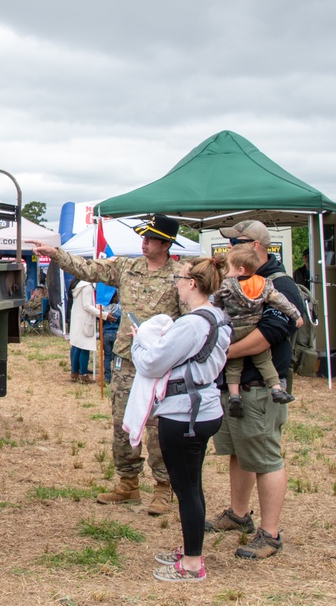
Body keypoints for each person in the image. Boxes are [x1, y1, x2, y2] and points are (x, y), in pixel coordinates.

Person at [30, 214, 184, 516]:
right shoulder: (127, 267)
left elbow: (191, 320)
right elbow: (87, 268)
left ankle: (164, 488)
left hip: (162, 365)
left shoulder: (180, 276)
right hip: (127, 361)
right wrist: (56, 254)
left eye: (151, 238)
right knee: (122, 424)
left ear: (165, 244)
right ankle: (128, 483)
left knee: (159, 428)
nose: (145, 242)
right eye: (144, 237)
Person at [206, 219, 305, 559]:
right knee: (239, 451)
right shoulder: (238, 282)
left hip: (261, 386)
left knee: (265, 458)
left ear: (258, 247)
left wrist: (224, 353)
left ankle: (271, 534)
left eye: (238, 242)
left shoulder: (279, 285)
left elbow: (273, 332)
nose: (230, 248)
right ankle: (238, 514)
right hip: (237, 387)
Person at [129, 258, 231, 582]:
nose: (176, 282)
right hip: (205, 409)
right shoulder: (218, 318)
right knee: (193, 486)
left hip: (184, 414)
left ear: (192, 284)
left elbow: (151, 364)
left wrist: (137, 341)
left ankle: (191, 563)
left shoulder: (192, 324)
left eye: (180, 277)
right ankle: (191, 547)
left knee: (186, 490)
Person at [215, 245, 301, 417]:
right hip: (253, 326)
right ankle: (276, 388)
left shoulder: (227, 285)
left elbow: (215, 303)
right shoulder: (265, 284)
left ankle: (234, 396)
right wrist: (296, 315)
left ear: (239, 269)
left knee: (233, 367)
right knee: (265, 361)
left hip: (234, 332)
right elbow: (280, 301)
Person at [87, 290, 120, 384]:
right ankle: (115, 375)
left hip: (106, 335)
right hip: (115, 334)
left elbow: (100, 320)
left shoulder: (104, 310)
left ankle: (107, 377)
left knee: (107, 356)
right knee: (116, 356)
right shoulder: (119, 310)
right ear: (115, 298)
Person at [67, 279, 97, 383]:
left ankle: (74, 373)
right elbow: (87, 306)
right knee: (85, 348)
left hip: (77, 319)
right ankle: (83, 375)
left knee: (77, 347)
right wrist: (103, 314)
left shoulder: (77, 285)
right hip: (85, 321)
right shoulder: (87, 286)